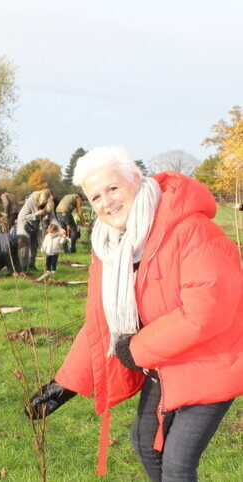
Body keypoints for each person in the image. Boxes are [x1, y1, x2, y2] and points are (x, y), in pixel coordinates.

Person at [25, 146, 243, 480]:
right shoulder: (113, 246)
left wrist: (137, 348)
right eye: (95, 197)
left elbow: (205, 314)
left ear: (136, 180)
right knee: (144, 443)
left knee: (177, 463)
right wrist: (64, 385)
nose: (106, 202)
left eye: (113, 189)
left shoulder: (192, 231)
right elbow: (105, 324)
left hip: (213, 362)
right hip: (165, 364)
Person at [16, 189, 64, 271]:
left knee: (34, 245)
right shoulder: (30, 202)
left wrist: (59, 228)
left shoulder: (50, 204)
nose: (42, 203)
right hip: (24, 225)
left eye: (44, 201)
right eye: (41, 200)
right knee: (25, 246)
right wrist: (36, 214)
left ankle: (32, 265)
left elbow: (53, 218)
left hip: (35, 225)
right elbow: (22, 217)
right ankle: (23, 268)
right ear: (39, 197)